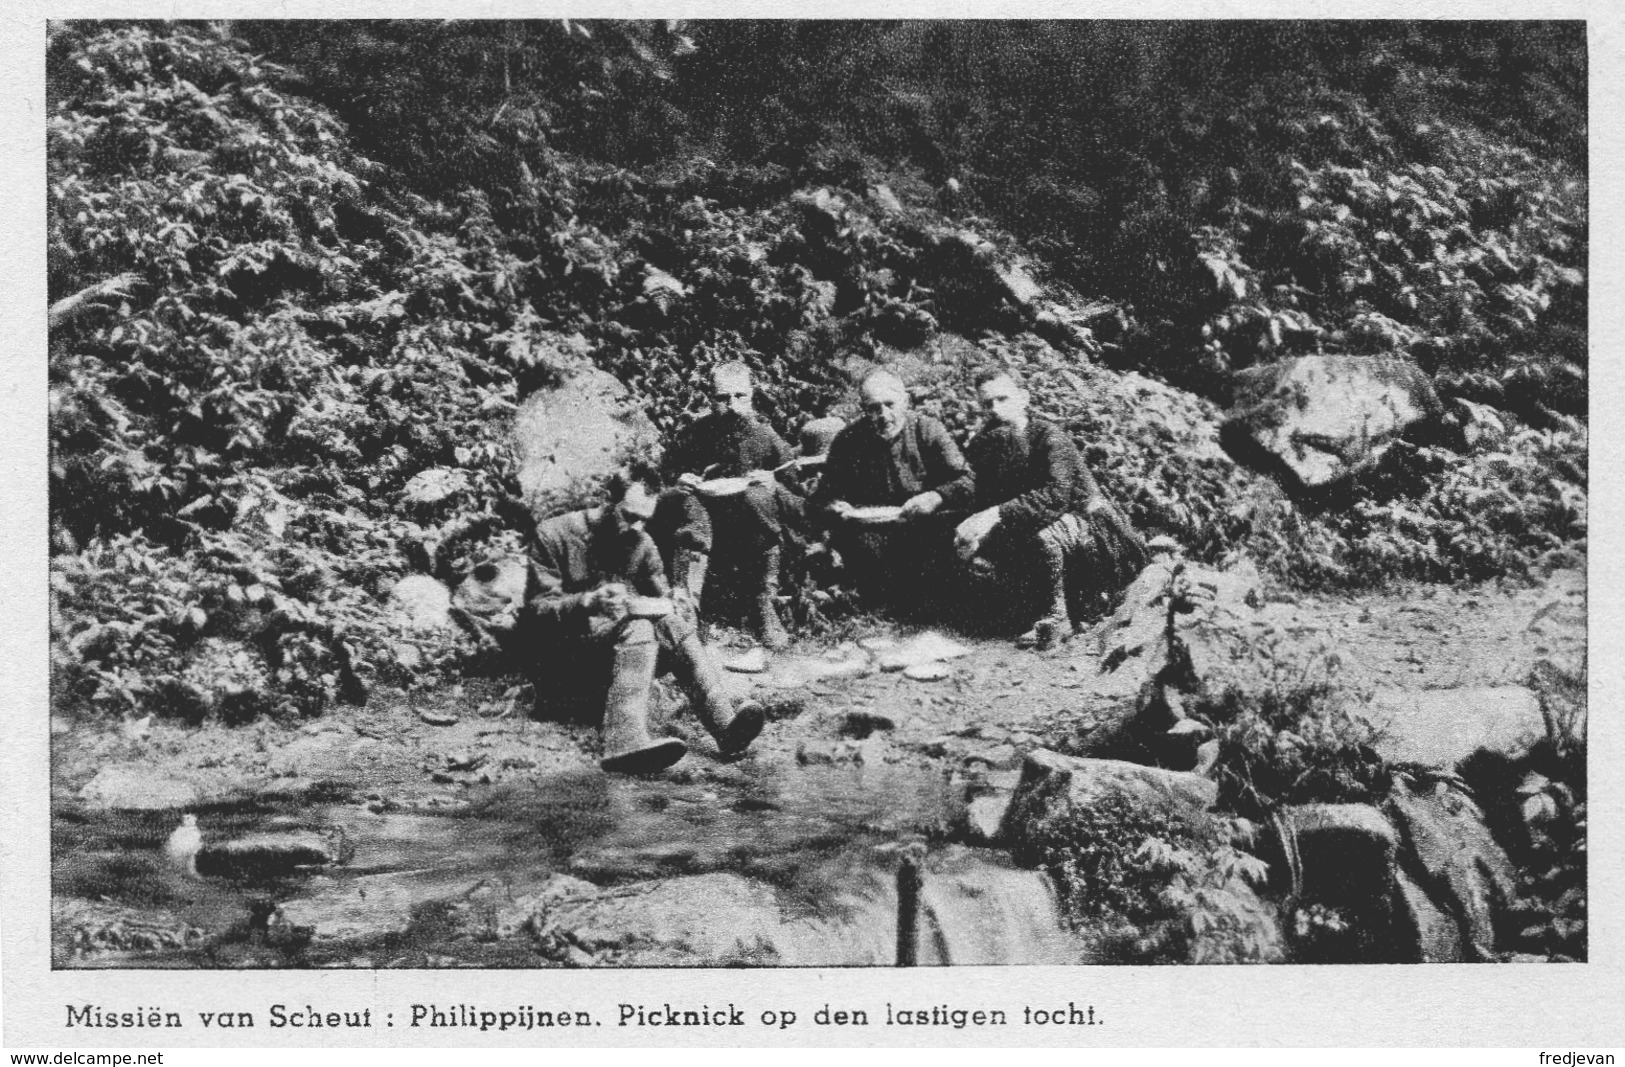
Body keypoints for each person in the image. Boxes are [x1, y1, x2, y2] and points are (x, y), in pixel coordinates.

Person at [509, 462, 765, 774]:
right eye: (629, 517)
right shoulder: (555, 534)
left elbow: (664, 599)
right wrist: (588, 601)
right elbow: (536, 611)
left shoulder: (641, 544)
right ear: (608, 501)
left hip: (613, 660)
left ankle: (725, 728)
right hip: (562, 665)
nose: (637, 528)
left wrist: (678, 602)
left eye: (645, 520)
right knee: (639, 626)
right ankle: (623, 742)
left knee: (671, 625)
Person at [954, 368, 1148, 648]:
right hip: (1035, 520)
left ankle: (1058, 616)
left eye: (1003, 399)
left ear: (1024, 398)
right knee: (977, 545)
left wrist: (994, 515)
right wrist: (975, 531)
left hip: (1089, 524)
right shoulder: (988, 442)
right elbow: (983, 496)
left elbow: (1055, 497)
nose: (995, 409)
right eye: (987, 403)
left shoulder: (1049, 438)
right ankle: (1015, 611)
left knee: (1044, 535)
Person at [661, 362, 804, 649]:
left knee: (756, 497)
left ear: (752, 395)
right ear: (710, 399)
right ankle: (690, 612)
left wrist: (773, 486)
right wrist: (679, 483)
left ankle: (764, 606)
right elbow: (662, 485)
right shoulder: (693, 435)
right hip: (706, 526)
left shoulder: (768, 439)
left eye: (740, 397)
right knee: (689, 504)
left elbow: (799, 503)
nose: (733, 406)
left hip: (753, 530)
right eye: (722, 398)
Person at [811, 369, 975, 607]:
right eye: (873, 408)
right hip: (874, 534)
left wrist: (936, 496)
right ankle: (886, 598)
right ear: (863, 408)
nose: (883, 415)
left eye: (889, 404)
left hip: (925, 528)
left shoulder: (928, 429)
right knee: (860, 546)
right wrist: (833, 506)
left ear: (905, 401)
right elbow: (820, 500)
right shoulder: (849, 440)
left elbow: (967, 481)